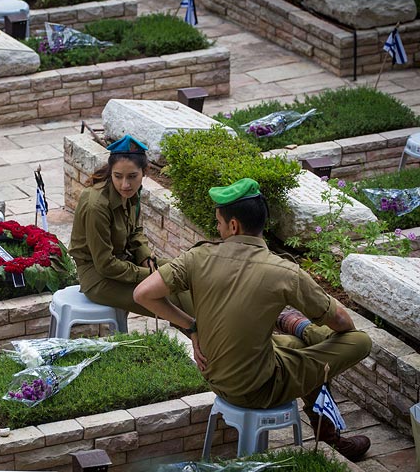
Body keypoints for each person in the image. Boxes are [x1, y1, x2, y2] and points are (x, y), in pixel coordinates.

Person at [133, 177, 372, 460]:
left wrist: (192, 326)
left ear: (233, 225)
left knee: (298, 350)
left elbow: (143, 293)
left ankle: (328, 431)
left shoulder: (197, 257)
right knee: (358, 341)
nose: (218, 229)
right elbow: (343, 321)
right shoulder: (283, 271)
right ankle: (300, 328)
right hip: (257, 388)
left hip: (215, 376)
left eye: (219, 223)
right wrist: (328, 334)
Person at [68, 135, 193, 320]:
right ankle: (199, 336)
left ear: (144, 173)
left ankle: (205, 333)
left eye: (132, 176)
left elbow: (135, 231)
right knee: (171, 299)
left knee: (184, 273)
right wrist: (149, 275)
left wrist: (145, 256)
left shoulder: (132, 192)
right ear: (111, 172)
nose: (125, 184)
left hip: (125, 262)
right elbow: (105, 265)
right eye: (118, 176)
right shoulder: (97, 205)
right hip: (99, 278)